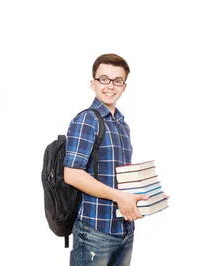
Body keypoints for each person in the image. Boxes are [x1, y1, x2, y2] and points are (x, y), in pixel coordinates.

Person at [64, 53, 149, 265]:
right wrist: (119, 197)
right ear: (93, 83)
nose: (110, 86)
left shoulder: (122, 125)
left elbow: (119, 177)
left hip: (124, 229)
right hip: (95, 230)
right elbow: (72, 174)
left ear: (124, 87)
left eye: (117, 81)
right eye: (104, 79)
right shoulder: (87, 119)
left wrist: (148, 197)